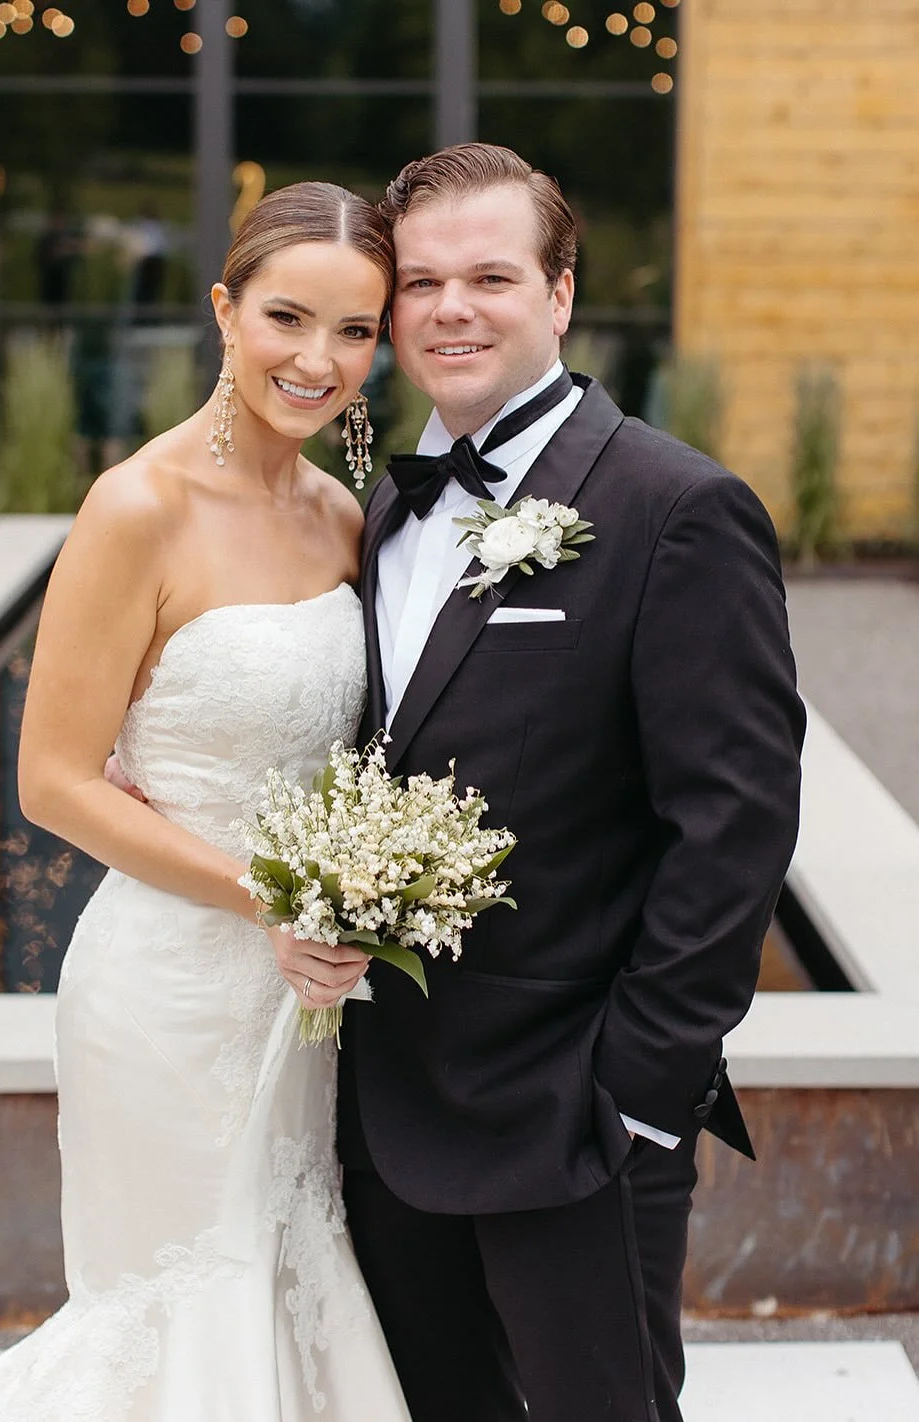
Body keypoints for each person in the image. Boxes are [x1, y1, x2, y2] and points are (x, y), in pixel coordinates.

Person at [330, 144, 807, 1422]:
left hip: (572, 1113)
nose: (449, 309)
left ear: (558, 292)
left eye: (489, 275)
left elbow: (733, 824)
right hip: (387, 1102)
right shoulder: (383, 506)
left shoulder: (675, 508)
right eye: (420, 281)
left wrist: (641, 1092)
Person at [0, 183, 411, 1422]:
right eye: (286, 317)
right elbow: (51, 782)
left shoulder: (344, 518)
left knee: (285, 1276)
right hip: (172, 988)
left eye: (353, 331)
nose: (317, 360)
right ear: (222, 309)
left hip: (303, 1001)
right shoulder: (136, 508)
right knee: (176, 1306)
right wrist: (274, 899)